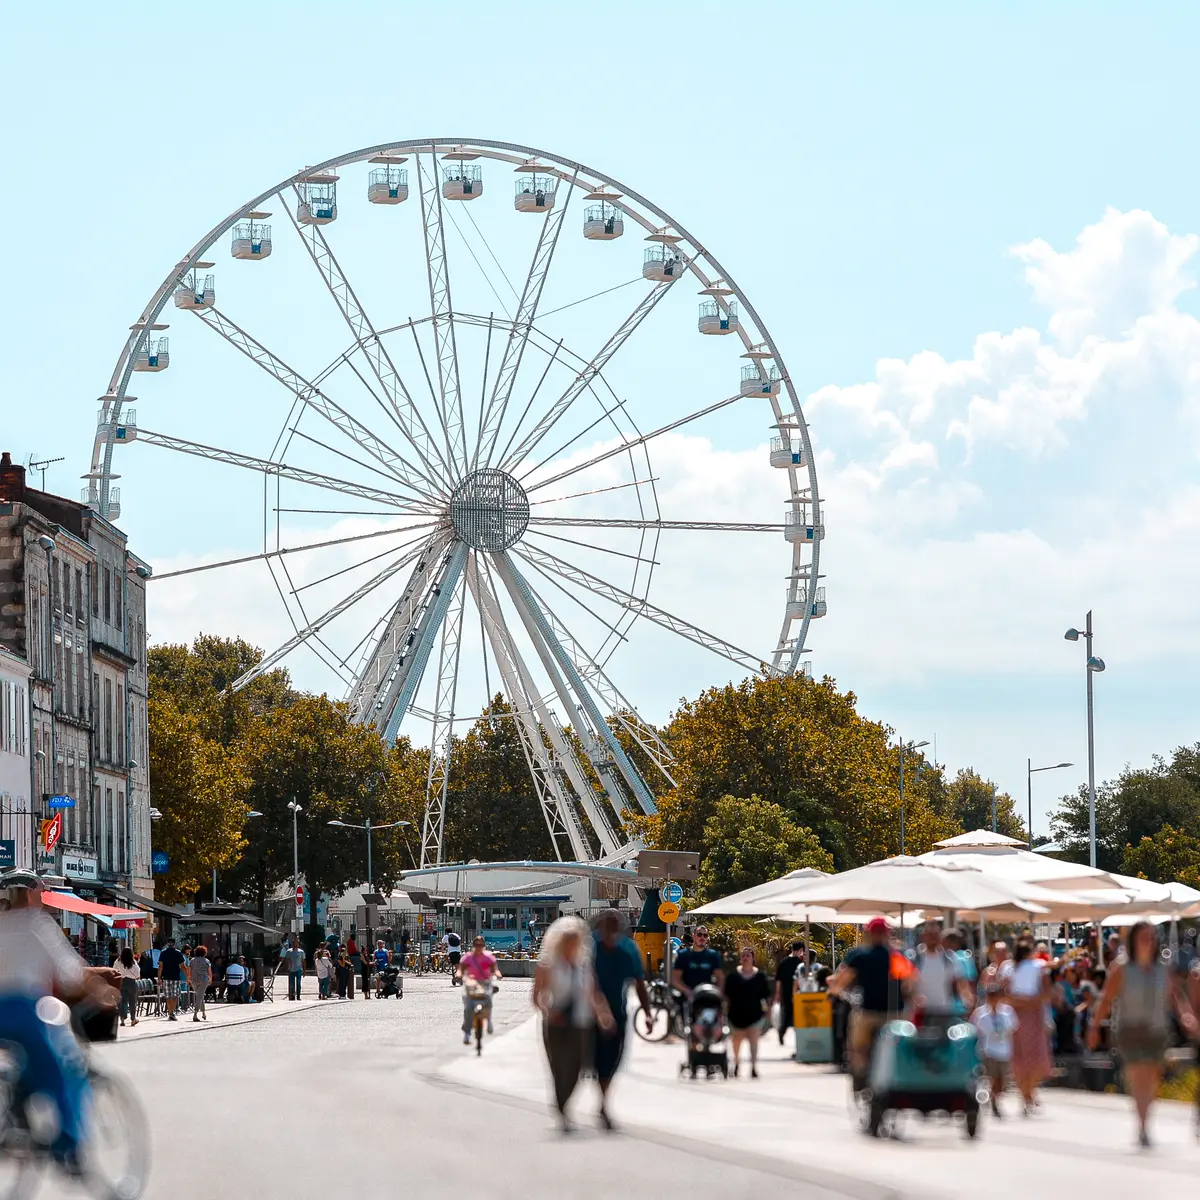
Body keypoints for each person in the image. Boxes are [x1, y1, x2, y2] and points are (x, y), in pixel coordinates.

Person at [0, 869, 112, 1172]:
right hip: (25, 1009)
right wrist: (100, 993)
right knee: (67, 1069)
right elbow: (71, 974)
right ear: (31, 895)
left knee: (22, 1066)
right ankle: (69, 1146)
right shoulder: (38, 925)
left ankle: (17, 1110)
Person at [1089, 921, 1198, 1148]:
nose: (1148, 941)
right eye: (1143, 937)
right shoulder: (1121, 968)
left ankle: (1145, 1117)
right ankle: (1142, 1126)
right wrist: (1094, 1026)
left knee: (1153, 1076)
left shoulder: (1162, 969)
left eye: (1151, 937)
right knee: (1138, 1074)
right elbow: (1106, 1000)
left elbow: (1176, 996)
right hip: (1129, 1029)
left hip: (1157, 1030)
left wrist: (1187, 1017)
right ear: (1133, 940)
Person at [532, 916, 613, 1133]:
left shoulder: (584, 966)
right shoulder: (548, 965)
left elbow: (594, 993)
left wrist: (604, 1015)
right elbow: (537, 997)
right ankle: (562, 1109)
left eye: (576, 942)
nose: (573, 946)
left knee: (578, 1068)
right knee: (560, 1068)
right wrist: (550, 1011)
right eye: (569, 942)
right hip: (556, 1024)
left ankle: (563, 1105)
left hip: (581, 1022)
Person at [591, 910, 653, 1128]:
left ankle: (603, 1100)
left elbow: (639, 982)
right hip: (588, 1012)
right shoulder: (589, 948)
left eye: (614, 926)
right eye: (605, 926)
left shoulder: (628, 949)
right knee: (594, 1057)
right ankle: (598, 1101)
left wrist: (647, 1013)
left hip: (618, 1012)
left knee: (613, 1058)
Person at [829, 917, 903, 1091]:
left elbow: (840, 981)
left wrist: (833, 991)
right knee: (899, 1046)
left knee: (857, 1047)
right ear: (887, 934)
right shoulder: (897, 955)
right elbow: (910, 983)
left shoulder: (859, 955)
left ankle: (860, 1076)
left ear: (868, 934)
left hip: (867, 1012)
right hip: (894, 1014)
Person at [1008, 937, 1053, 1115]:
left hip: (1022, 1016)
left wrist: (1022, 1001)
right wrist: (1030, 1001)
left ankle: (1027, 1095)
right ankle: (1028, 1095)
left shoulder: (1014, 969)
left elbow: (1007, 995)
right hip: (1029, 1016)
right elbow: (1046, 994)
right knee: (1033, 1058)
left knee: (1023, 1059)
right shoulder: (1033, 968)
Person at [972, 984, 1018, 1118]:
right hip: (988, 1050)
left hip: (1004, 1050)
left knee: (1002, 1080)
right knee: (992, 1077)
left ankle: (995, 1097)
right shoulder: (980, 1013)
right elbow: (975, 1030)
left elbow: (1013, 1029)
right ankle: (993, 1101)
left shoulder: (1007, 1011)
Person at [725, 946, 771, 1078]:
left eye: (748, 955)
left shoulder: (760, 976)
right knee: (736, 1042)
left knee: (754, 1041)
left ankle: (753, 1067)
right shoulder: (733, 976)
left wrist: (769, 1010)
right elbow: (726, 996)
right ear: (740, 959)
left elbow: (766, 995)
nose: (745, 958)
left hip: (755, 1015)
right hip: (735, 1015)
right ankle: (737, 1063)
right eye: (743, 955)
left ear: (753, 958)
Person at [912, 920, 972, 1018]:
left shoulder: (950, 958)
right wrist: (914, 998)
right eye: (930, 934)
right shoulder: (916, 958)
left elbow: (961, 983)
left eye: (935, 934)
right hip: (921, 1013)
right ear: (924, 936)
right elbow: (909, 985)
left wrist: (967, 998)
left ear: (940, 937)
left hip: (944, 1011)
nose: (933, 938)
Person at [671, 925, 724, 1018]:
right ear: (694, 936)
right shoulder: (683, 955)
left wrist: (719, 992)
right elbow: (675, 979)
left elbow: (720, 978)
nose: (702, 938)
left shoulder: (712, 955)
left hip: (707, 995)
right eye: (699, 934)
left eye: (705, 935)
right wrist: (686, 991)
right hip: (688, 996)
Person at [458, 935, 501, 1043]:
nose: (479, 947)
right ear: (473, 946)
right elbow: (460, 969)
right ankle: (467, 1034)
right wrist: (459, 975)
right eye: (477, 945)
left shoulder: (489, 957)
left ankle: (489, 1021)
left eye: (481, 945)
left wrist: (498, 974)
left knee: (488, 1002)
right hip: (471, 984)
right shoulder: (468, 957)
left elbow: (495, 969)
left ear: (484, 946)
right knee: (468, 1008)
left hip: (485, 982)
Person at [774, 941, 806, 1046]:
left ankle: (782, 1031)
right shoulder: (800, 963)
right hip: (797, 993)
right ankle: (799, 1038)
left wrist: (778, 993)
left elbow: (778, 979)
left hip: (785, 992)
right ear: (800, 950)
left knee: (786, 1014)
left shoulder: (783, 962)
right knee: (797, 1015)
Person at [157, 936, 185, 1022]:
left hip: (166, 977)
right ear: (174, 943)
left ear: (168, 943)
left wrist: (159, 978)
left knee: (168, 996)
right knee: (175, 995)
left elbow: (160, 966)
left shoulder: (163, 953)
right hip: (176, 977)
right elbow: (182, 966)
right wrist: (188, 975)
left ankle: (170, 1012)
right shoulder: (178, 953)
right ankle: (172, 1012)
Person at [115, 945, 140, 1027]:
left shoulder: (118, 961)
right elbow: (137, 973)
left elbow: (114, 970)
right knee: (132, 1001)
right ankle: (133, 1019)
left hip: (121, 982)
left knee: (122, 1001)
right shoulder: (133, 962)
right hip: (131, 982)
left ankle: (122, 1019)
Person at [187, 945, 212, 1023]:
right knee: (200, 996)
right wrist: (210, 979)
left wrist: (188, 979)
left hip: (194, 979)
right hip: (204, 980)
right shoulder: (206, 961)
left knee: (199, 996)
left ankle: (203, 1013)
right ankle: (195, 1014)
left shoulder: (192, 960)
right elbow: (209, 972)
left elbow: (189, 971)